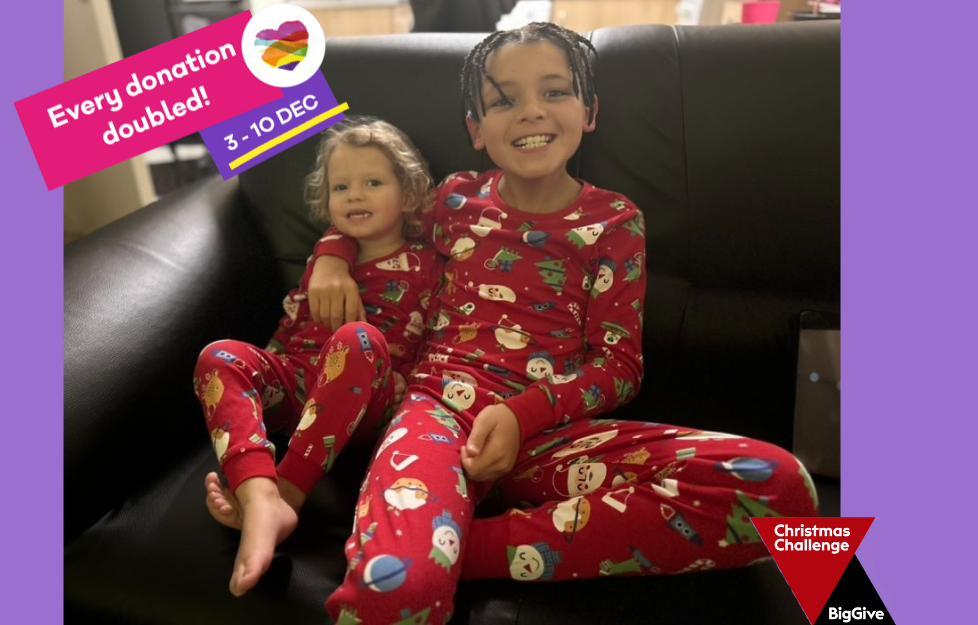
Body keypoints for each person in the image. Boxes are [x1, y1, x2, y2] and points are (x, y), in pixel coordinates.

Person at [304, 24, 821, 623]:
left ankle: (456, 548)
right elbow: (368, 217)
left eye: (554, 92)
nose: (531, 111)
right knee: (396, 592)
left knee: (781, 488)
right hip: (438, 415)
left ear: (589, 112)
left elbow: (619, 367)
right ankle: (428, 551)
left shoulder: (615, 221)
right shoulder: (452, 200)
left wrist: (522, 416)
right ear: (476, 129)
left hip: (552, 435)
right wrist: (331, 257)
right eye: (504, 100)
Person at [193, 117, 442, 598]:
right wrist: (260, 374)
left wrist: (409, 389)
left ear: (409, 193)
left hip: (364, 400)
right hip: (297, 386)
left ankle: (287, 493)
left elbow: (438, 339)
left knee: (357, 339)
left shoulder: (430, 263)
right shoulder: (322, 261)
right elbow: (289, 326)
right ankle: (256, 489)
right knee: (218, 355)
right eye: (340, 186)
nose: (354, 195)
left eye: (373, 183)